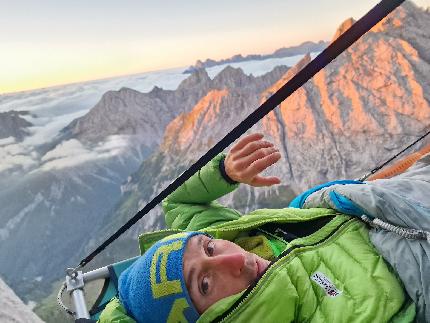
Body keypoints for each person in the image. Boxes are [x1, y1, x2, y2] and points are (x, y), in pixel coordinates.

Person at [99, 133, 429, 323]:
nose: (233, 259)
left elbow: (177, 204)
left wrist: (225, 173)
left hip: (379, 201)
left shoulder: (227, 233)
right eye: (204, 284)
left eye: (209, 247)